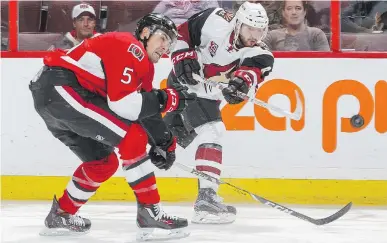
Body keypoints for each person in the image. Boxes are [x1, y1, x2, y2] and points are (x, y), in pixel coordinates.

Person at [29, 13, 196, 241]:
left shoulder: (144, 67)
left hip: (54, 97)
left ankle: (62, 214)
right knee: (132, 137)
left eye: (170, 43)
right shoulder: (130, 47)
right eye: (163, 38)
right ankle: (150, 211)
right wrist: (168, 99)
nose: (166, 47)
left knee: (103, 163)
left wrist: (165, 142)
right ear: (145, 34)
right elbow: (125, 106)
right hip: (63, 88)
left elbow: (144, 110)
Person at [160, 1, 274, 224]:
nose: (255, 35)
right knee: (213, 131)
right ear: (238, 23)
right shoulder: (214, 19)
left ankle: (132, 161)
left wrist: (239, 85)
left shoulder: (261, 53)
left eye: (260, 30)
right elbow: (181, 34)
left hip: (207, 97)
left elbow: (251, 72)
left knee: (164, 142)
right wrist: (182, 55)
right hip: (183, 85)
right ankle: (206, 201)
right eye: (250, 28)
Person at [263, 0, 330, 51]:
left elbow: (325, 62)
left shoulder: (316, 34)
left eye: (298, 8)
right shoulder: (272, 36)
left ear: (304, 12)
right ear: (283, 13)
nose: (294, 12)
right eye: (289, 8)